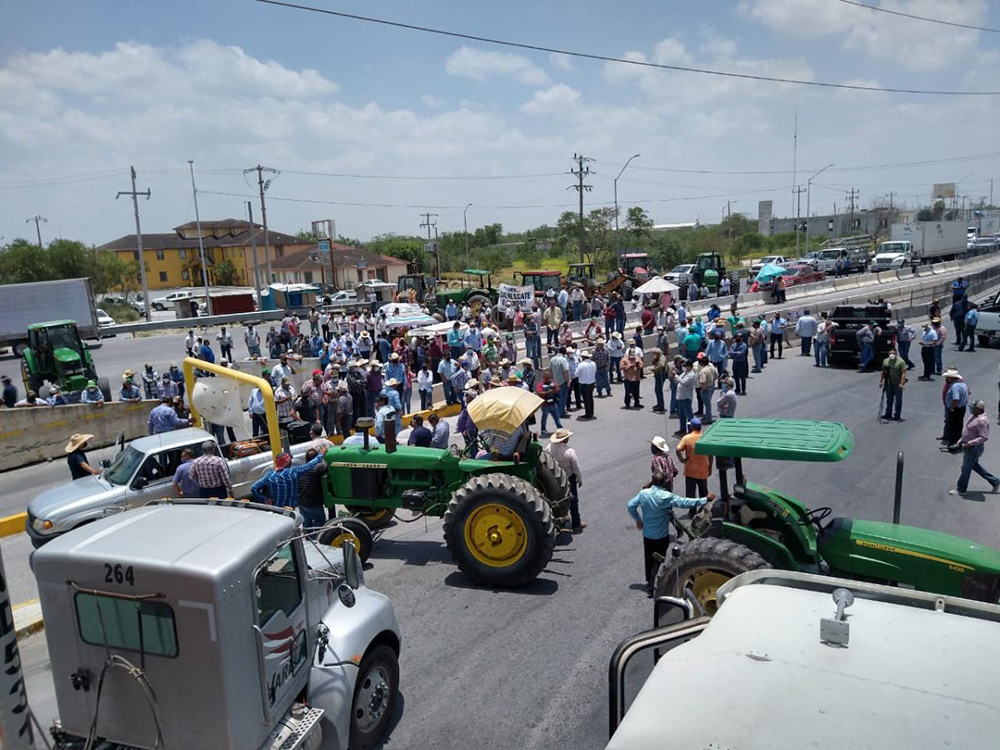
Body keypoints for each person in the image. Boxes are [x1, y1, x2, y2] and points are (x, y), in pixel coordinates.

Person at [627, 472, 711, 597]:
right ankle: (652, 583)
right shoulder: (667, 496)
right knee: (659, 559)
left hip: (647, 534)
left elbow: (630, 505)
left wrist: (638, 520)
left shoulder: (643, 494)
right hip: (661, 536)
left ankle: (649, 582)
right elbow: (685, 502)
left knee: (649, 558)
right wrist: (705, 499)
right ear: (665, 482)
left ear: (652, 481)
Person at [949, 401, 1000, 496]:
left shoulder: (982, 421)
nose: (971, 409)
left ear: (979, 409)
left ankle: (961, 489)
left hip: (974, 448)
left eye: (973, 407)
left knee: (966, 469)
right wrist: (959, 441)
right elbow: (968, 432)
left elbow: (984, 437)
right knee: (973, 465)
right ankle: (995, 481)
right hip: (968, 446)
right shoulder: (974, 416)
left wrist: (970, 443)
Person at [545, 428, 585, 533]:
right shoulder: (569, 451)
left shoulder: (549, 448)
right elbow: (576, 467)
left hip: (554, 479)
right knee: (573, 500)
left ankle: (560, 522)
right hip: (568, 477)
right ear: (565, 439)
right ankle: (576, 523)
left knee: (556, 501)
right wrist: (579, 478)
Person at [250, 451, 324, 508]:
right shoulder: (293, 471)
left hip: (276, 508)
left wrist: (264, 499)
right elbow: (308, 466)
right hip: (290, 508)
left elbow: (254, 488)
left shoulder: (270, 475)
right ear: (287, 462)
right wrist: (320, 455)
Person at [676, 418, 712, 497]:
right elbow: (710, 455)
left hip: (690, 471)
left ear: (691, 427)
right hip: (703, 470)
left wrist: (682, 460)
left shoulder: (686, 438)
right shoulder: (705, 438)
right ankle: (704, 508)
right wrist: (710, 468)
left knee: (690, 495)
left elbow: (678, 449)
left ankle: (692, 509)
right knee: (703, 494)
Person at [296, 448, 329, 529]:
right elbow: (327, 467)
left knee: (307, 526)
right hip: (313, 504)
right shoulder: (318, 469)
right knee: (320, 525)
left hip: (302, 503)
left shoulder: (301, 469)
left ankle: (308, 539)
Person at [941, 368, 969, 447]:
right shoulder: (962, 384)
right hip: (962, 408)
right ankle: (958, 443)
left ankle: (952, 445)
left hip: (956, 409)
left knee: (953, 428)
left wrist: (952, 408)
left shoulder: (954, 386)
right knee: (958, 427)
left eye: (947, 377)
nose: (946, 379)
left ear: (951, 378)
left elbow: (955, 399)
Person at [879, 347, 907, 421]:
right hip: (888, 384)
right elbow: (883, 372)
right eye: (890, 353)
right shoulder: (886, 361)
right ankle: (888, 414)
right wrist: (881, 381)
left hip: (897, 384)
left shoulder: (900, 362)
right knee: (889, 399)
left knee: (898, 400)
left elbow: (903, 373)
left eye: (893, 353)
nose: (892, 355)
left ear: (896, 354)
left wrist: (901, 383)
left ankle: (897, 415)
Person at [536, 371, 563, 435]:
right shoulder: (540, 385)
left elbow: (558, 389)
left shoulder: (553, 383)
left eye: (549, 378)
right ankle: (543, 429)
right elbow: (539, 393)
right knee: (544, 418)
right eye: (547, 378)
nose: (548, 379)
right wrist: (547, 392)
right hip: (545, 405)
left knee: (557, 417)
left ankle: (560, 428)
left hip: (553, 403)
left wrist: (554, 390)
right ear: (543, 378)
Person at [674, 360, 696, 436]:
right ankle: (682, 429)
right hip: (680, 397)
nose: (684, 367)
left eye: (685, 366)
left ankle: (691, 430)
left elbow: (684, 382)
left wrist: (676, 376)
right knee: (681, 415)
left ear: (689, 366)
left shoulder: (691, 375)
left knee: (689, 415)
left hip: (686, 397)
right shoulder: (685, 372)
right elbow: (678, 379)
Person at [696, 356, 718, 423]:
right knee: (708, 404)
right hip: (711, 386)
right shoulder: (712, 367)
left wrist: (702, 389)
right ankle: (707, 416)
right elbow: (716, 376)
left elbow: (703, 382)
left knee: (707, 405)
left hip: (706, 388)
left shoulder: (703, 371)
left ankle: (708, 419)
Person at [576, 350, 596, 419]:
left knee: (586, 399)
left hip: (584, 384)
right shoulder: (593, 363)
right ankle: (591, 412)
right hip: (592, 383)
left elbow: (576, 374)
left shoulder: (581, 365)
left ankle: (588, 413)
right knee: (590, 398)